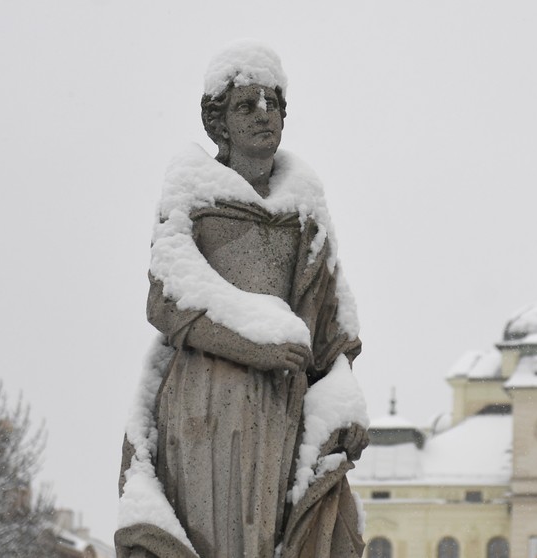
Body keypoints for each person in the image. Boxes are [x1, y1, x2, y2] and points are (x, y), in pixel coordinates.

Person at [115, 41, 368, 558]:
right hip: (207, 401)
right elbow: (167, 295)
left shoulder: (306, 208)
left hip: (285, 406)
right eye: (245, 104)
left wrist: (346, 403)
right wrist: (258, 342)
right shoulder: (192, 189)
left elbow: (333, 331)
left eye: (271, 103)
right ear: (219, 122)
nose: (262, 114)